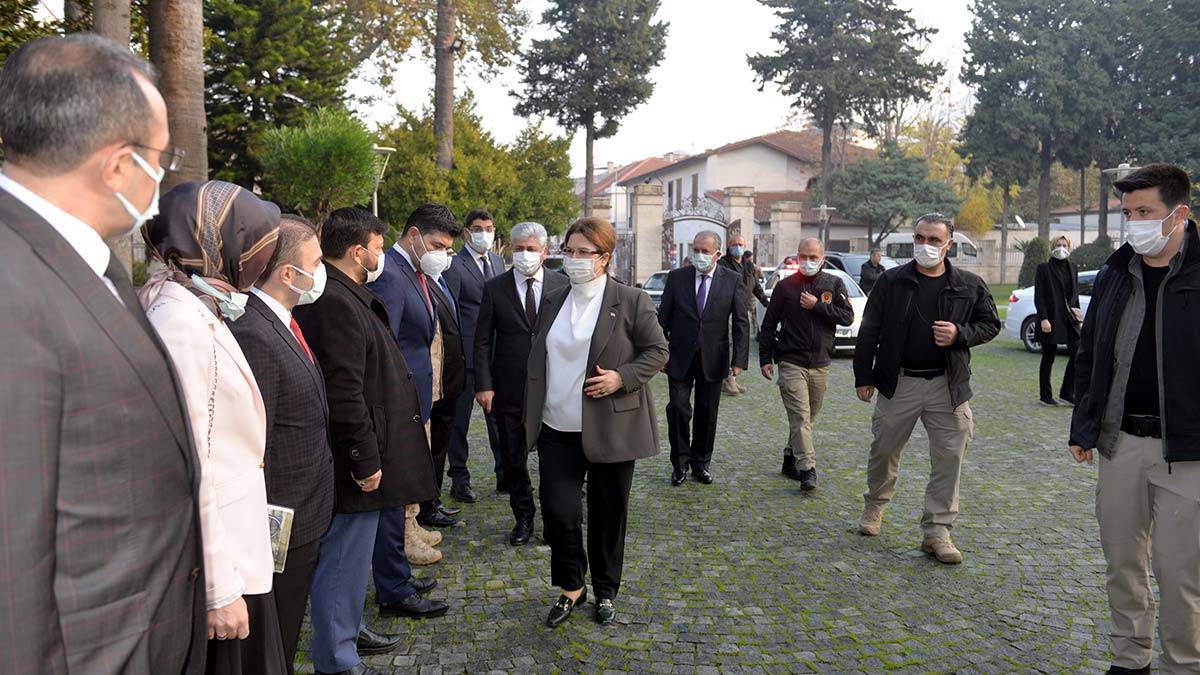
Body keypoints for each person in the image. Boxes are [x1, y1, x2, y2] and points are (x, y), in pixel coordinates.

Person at [0, 33, 205, 674]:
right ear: (117, 165)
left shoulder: (82, 262)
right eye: (160, 159)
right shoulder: (13, 290)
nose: (161, 178)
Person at [140, 180, 287, 674]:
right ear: (214, 246)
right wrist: (220, 587)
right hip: (220, 566)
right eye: (251, 245)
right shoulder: (178, 320)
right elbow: (190, 465)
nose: (257, 261)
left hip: (234, 549)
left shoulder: (198, 302)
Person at [295, 208, 443, 675]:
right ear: (359, 251)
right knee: (343, 559)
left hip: (371, 445)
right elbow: (345, 389)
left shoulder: (346, 294)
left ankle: (349, 629)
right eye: (378, 249)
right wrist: (363, 456)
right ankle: (338, 659)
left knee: (353, 561)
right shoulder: (336, 301)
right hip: (357, 457)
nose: (381, 256)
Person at [1069, 164, 1200, 675]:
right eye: (1128, 213)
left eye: (1145, 212)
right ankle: (1130, 659)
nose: (1134, 224)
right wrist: (1085, 427)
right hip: (1121, 442)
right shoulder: (1114, 274)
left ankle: (1183, 665)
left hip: (1187, 451)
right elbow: (1090, 355)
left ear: (1179, 214)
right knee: (1123, 563)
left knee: (1179, 570)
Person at [525, 216, 669, 628]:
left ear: (604, 258)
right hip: (556, 425)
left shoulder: (630, 300)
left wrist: (621, 378)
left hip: (610, 426)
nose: (572, 260)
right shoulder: (554, 296)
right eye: (567, 251)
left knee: (608, 514)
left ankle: (605, 589)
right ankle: (572, 585)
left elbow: (658, 352)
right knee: (558, 511)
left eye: (583, 253)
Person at [853, 213, 1000, 564]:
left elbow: (990, 324)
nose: (926, 246)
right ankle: (874, 506)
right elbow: (869, 329)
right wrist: (864, 376)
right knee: (884, 448)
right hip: (898, 382)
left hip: (946, 385)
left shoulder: (969, 284)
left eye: (934, 240)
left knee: (950, 456)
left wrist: (959, 334)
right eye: (920, 238)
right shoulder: (891, 282)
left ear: (949, 244)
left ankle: (937, 531)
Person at [227, 215, 335, 674]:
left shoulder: (283, 320)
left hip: (305, 508)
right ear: (289, 273)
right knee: (277, 635)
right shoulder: (254, 331)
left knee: (287, 630)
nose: (321, 270)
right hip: (281, 518)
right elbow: (254, 442)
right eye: (316, 262)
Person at [361, 204, 458, 616]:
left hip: (413, 402)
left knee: (397, 501)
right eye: (436, 245)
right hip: (395, 408)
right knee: (388, 503)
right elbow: (384, 347)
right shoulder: (391, 277)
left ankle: (396, 576)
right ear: (414, 234)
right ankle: (393, 589)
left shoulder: (417, 273)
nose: (442, 254)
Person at [474, 221, 568, 545]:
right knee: (513, 457)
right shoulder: (495, 287)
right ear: (510, 250)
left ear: (544, 252)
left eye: (531, 249)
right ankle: (523, 517)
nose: (524, 255)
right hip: (509, 387)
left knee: (553, 459)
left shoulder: (562, 284)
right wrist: (483, 384)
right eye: (518, 249)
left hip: (552, 387)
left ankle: (553, 520)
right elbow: (483, 340)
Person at [759, 238, 854, 491]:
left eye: (813, 257)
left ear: (822, 259)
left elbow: (847, 317)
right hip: (791, 361)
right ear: (797, 257)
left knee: (808, 417)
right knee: (800, 417)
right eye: (803, 256)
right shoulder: (786, 286)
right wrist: (765, 359)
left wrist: (819, 307)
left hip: (821, 362)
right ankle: (807, 470)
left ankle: (790, 456)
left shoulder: (834, 284)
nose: (808, 261)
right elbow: (768, 325)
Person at [657, 231, 748, 486]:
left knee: (708, 413)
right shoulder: (677, 278)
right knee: (677, 408)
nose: (699, 255)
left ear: (717, 254)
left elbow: (741, 321)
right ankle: (680, 463)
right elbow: (662, 318)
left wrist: (739, 359)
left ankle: (701, 463)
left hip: (714, 355)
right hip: (679, 355)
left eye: (705, 251)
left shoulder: (731, 279)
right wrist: (659, 352)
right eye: (696, 250)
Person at [442, 209, 506, 501]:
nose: (485, 233)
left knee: (499, 418)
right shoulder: (455, 266)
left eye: (490, 228)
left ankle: (505, 472)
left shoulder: (497, 260)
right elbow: (451, 312)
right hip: (467, 356)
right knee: (460, 420)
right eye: (479, 228)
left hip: (495, 355)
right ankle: (459, 477)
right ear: (467, 232)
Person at [717, 232, 768, 395]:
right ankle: (727, 378)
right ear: (728, 247)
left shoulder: (749, 265)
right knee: (730, 342)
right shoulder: (722, 264)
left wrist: (766, 302)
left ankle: (732, 377)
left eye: (740, 244)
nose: (737, 247)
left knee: (740, 342)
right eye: (734, 245)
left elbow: (756, 287)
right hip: (726, 310)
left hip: (742, 309)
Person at [1033, 236, 1081, 405]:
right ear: (1052, 248)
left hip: (1069, 320)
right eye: (1058, 245)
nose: (1061, 248)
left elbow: (1074, 295)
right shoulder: (1044, 268)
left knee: (1077, 353)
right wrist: (1044, 319)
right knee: (1048, 357)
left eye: (1064, 245)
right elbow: (1039, 296)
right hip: (1051, 319)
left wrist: (1078, 316)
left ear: (1069, 247)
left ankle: (1067, 392)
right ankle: (1045, 395)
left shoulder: (1073, 268)